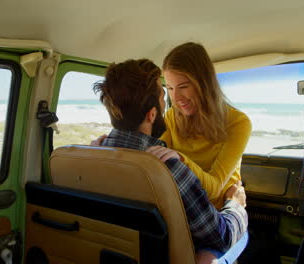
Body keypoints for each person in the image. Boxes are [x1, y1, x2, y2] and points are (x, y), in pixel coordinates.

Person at [93, 58, 248, 264]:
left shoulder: (92, 153)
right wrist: (236, 206)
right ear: (152, 114)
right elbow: (221, 237)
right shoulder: (168, 168)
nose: (173, 102)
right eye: (165, 94)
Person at [147, 42, 252, 210]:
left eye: (183, 87)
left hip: (220, 215)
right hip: (182, 208)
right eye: (170, 88)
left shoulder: (238, 123)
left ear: (204, 83)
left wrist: (180, 159)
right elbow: (156, 159)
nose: (176, 97)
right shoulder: (172, 116)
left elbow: (214, 189)